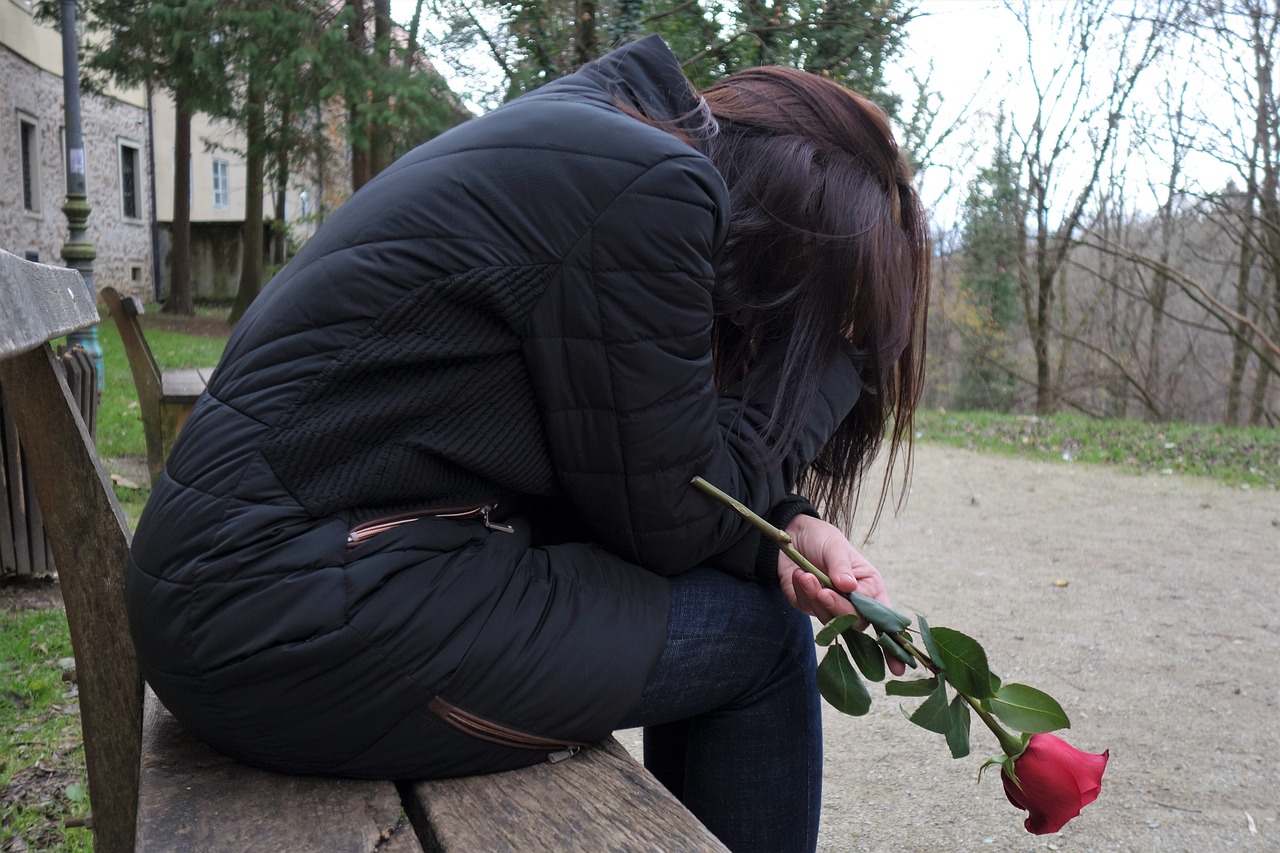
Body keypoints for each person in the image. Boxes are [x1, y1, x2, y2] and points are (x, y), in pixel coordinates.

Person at [125, 34, 929, 853]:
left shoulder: (608, 142)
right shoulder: (654, 190)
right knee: (760, 641)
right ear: (788, 248)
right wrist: (844, 356)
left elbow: (637, 455)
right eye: (819, 317)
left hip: (255, 592)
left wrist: (785, 531)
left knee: (747, 612)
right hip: (282, 621)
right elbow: (670, 527)